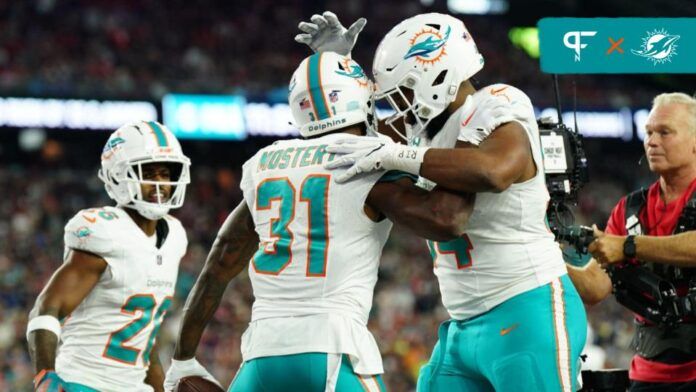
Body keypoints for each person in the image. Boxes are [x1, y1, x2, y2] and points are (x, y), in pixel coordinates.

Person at [297, 12, 587, 391]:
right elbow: (350, 138)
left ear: (435, 75)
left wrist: (394, 156)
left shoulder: (497, 102)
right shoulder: (423, 130)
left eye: (403, 93)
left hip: (525, 308)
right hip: (462, 327)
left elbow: (493, 172)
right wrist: (338, 68)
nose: (399, 109)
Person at [162, 52, 475, 392]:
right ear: (361, 102)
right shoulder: (368, 157)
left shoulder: (265, 162)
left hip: (262, 355)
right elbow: (447, 221)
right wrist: (467, 162)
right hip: (332, 349)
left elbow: (219, 262)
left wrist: (182, 359)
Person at [26, 121, 191, 392]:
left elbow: (143, 338)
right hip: (84, 382)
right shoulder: (104, 231)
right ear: (118, 176)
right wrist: (45, 374)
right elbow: (46, 309)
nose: (160, 183)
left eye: (165, 173)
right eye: (147, 173)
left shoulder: (174, 236)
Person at [574, 92, 696, 391]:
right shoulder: (629, 209)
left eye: (664, 132)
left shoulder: (629, 230)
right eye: (649, 132)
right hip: (648, 375)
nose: (652, 141)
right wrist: (547, 254)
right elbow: (596, 287)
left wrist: (628, 245)